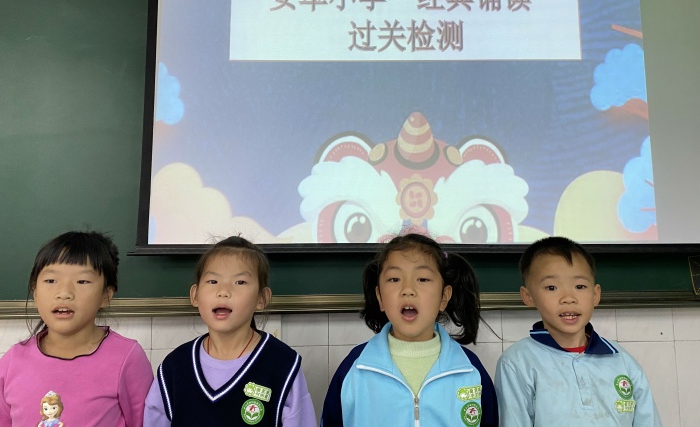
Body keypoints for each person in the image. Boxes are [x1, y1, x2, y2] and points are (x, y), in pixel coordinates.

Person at [321, 232, 498, 427]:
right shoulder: (355, 369)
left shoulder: (470, 370)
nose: (408, 289)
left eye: (422, 279)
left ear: (444, 297)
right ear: (380, 297)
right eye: (394, 279)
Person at [144, 236, 316, 427]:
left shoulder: (283, 365)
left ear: (262, 298)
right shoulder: (174, 367)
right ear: (194, 295)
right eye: (212, 281)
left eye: (240, 282)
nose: (223, 291)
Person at [495, 236, 663, 426]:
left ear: (595, 294)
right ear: (528, 296)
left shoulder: (622, 361)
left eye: (580, 286)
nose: (568, 298)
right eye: (551, 287)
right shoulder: (516, 363)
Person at [0, 230, 153, 426]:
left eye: (82, 281)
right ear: (35, 292)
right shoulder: (13, 361)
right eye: (51, 280)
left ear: (106, 295)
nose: (64, 293)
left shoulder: (127, 357)